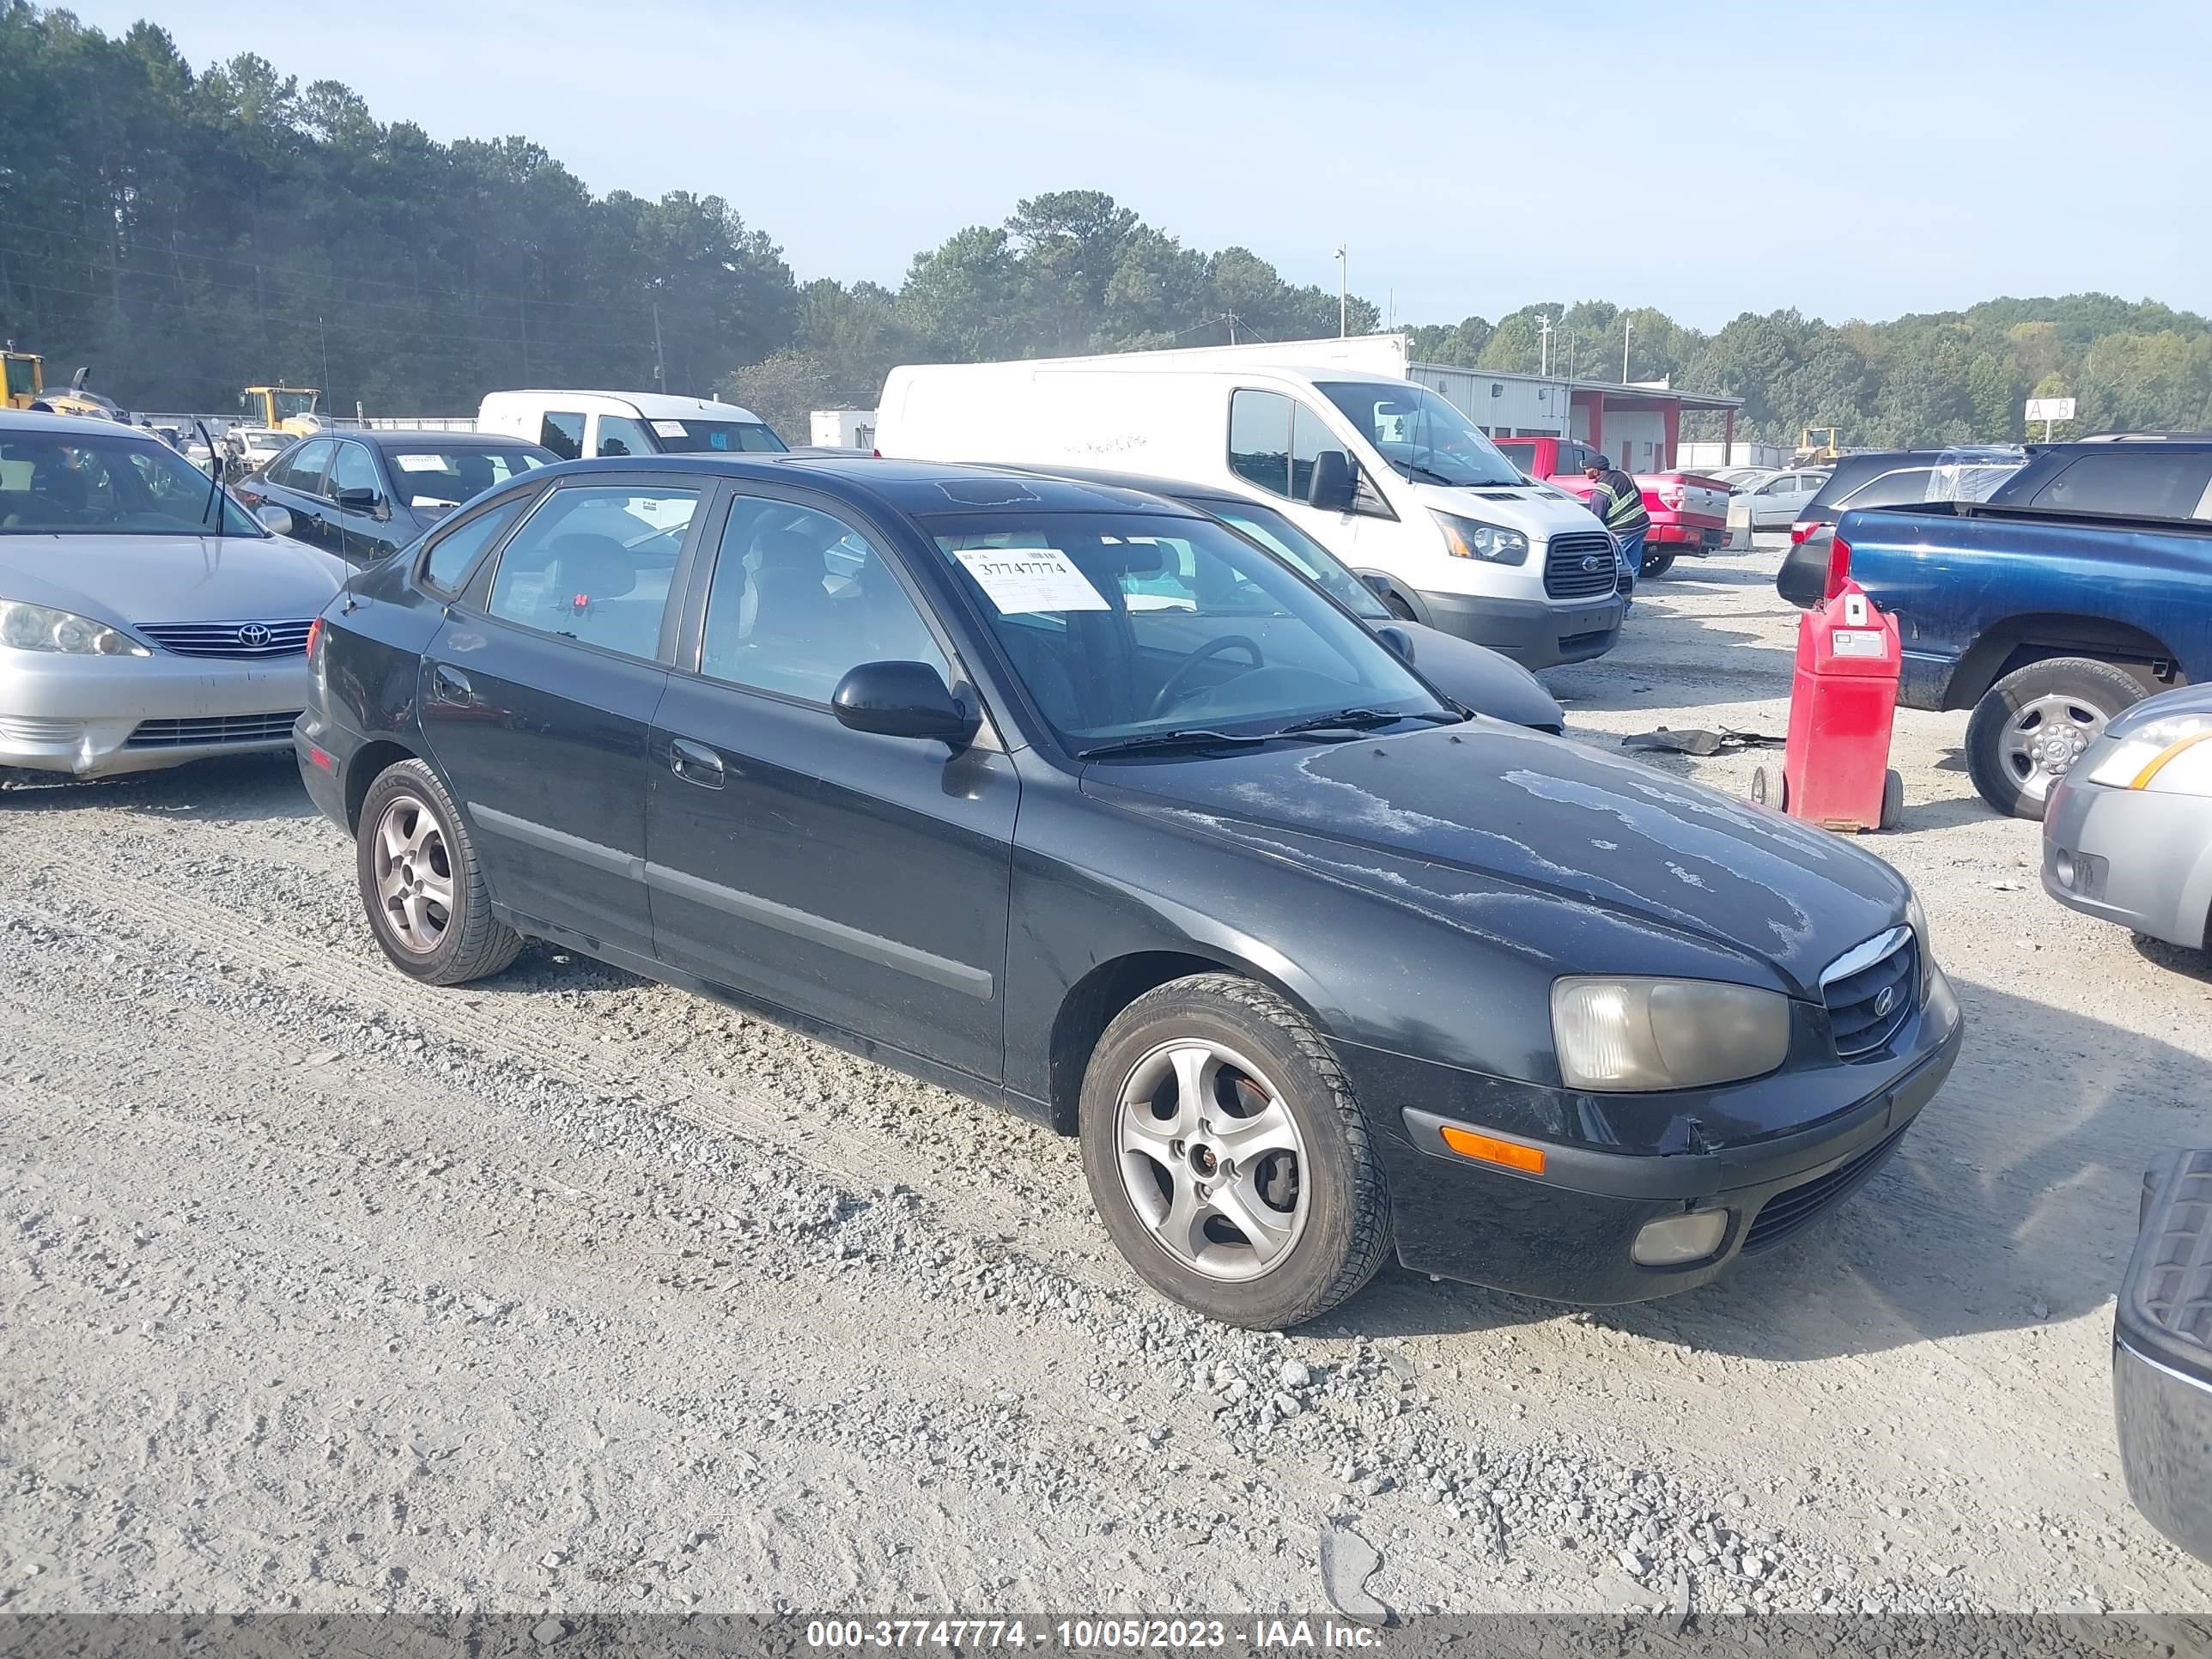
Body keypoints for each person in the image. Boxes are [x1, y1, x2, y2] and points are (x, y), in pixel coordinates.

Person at [1583, 455, 1652, 601]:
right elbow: (1637, 494)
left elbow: (1597, 521)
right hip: (1641, 525)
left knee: (1613, 568)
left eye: (1586, 469)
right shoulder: (1624, 475)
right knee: (1632, 568)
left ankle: (1612, 603)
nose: (1585, 472)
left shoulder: (1600, 492)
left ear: (1595, 471)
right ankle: (1626, 607)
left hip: (1622, 531)